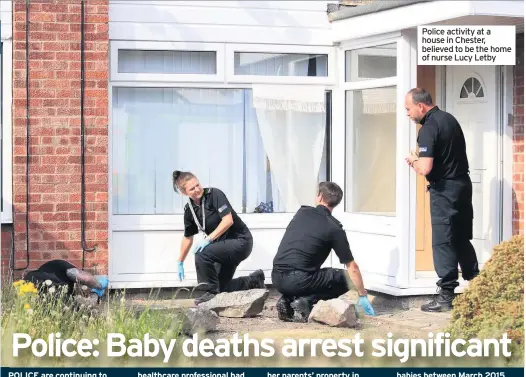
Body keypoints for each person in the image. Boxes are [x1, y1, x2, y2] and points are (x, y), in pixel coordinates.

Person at [404, 87, 479, 313]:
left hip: (445, 190)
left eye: (408, 109)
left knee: (443, 240)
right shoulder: (450, 119)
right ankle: (478, 285)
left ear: (421, 106)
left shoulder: (428, 128)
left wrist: (413, 161)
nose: (407, 114)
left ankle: (446, 295)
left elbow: (425, 168)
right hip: (463, 186)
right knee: (460, 237)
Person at [271, 181, 375, 323]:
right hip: (299, 280)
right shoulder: (335, 229)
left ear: (319, 197)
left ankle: (287, 299)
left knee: (309, 274)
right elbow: (353, 268)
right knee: (347, 278)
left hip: (276, 277)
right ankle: (305, 301)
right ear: (337, 203)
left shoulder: (302, 213)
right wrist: (362, 294)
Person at [173, 170, 266, 305]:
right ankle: (253, 281)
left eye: (198, 185)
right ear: (184, 193)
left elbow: (228, 220)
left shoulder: (214, 194)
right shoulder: (189, 210)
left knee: (202, 253)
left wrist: (208, 239)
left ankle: (209, 293)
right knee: (220, 287)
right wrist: (180, 262)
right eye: (192, 188)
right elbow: (188, 237)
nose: (197, 189)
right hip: (223, 248)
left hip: (240, 241)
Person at [22, 259, 109, 301]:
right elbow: (85, 278)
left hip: (28, 285)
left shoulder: (45, 269)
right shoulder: (62, 264)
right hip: (54, 293)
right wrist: (98, 287)